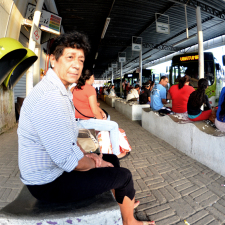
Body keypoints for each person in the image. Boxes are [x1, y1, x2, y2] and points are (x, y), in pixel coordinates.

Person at [17, 31, 154, 225]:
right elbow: (69, 161)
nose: (76, 65)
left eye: (80, 60)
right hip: (47, 183)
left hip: (54, 170)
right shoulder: (49, 98)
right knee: (123, 176)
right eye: (69, 57)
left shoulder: (59, 90)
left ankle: (122, 201)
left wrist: (89, 156)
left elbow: (69, 138)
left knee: (112, 158)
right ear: (53, 60)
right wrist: (95, 163)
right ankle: (130, 221)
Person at [71, 69, 128, 159]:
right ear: (90, 77)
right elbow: (94, 110)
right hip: (85, 122)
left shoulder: (73, 89)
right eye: (93, 77)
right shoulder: (89, 89)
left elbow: (85, 104)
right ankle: (116, 153)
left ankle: (105, 148)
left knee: (107, 120)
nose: (94, 79)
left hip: (75, 121)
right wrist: (102, 120)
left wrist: (101, 111)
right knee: (114, 125)